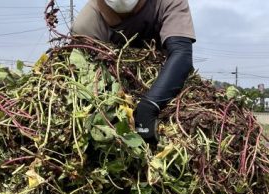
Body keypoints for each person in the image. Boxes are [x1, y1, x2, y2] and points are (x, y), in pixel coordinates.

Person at [71, 0, 195, 147]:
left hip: (168, 81)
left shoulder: (167, 2)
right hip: (118, 88)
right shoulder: (87, 25)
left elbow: (181, 54)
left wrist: (150, 105)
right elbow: (90, 79)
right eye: (117, 14)